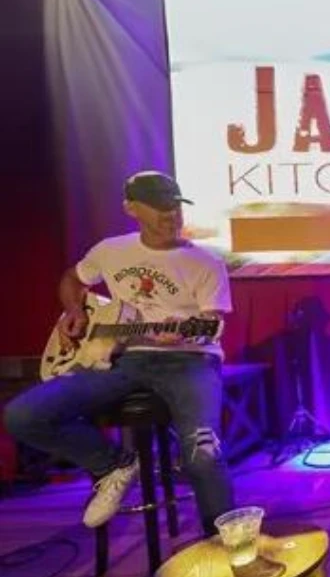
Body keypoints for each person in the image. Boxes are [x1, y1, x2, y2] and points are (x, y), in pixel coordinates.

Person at [4, 172, 235, 536]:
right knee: (23, 415)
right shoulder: (110, 251)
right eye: (159, 206)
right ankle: (113, 464)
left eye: (175, 205)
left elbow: (211, 323)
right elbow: (72, 279)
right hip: (122, 360)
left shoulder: (206, 261)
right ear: (131, 208)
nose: (171, 214)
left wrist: (180, 331)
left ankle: (227, 547)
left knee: (203, 454)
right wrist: (75, 312)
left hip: (190, 359)